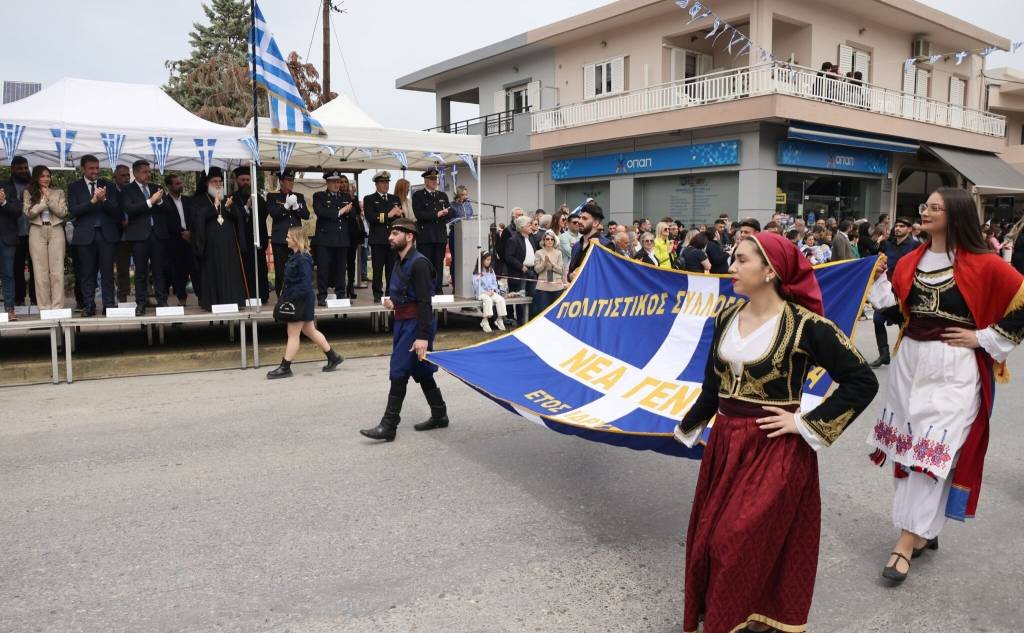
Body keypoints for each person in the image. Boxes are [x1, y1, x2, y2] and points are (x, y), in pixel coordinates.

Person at [675, 231, 878, 633]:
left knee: (733, 541)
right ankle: (749, 614)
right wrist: (687, 425)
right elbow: (712, 386)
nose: (731, 267)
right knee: (715, 538)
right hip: (727, 445)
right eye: (733, 258)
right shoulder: (727, 316)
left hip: (776, 448)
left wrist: (804, 422)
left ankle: (745, 616)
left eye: (742, 260)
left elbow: (861, 380)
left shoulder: (807, 326)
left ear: (770, 271)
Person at [865, 187, 1024, 585]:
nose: (927, 212)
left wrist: (984, 338)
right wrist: (879, 281)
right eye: (926, 206)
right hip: (909, 364)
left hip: (954, 369)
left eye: (936, 207)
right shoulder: (911, 260)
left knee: (930, 451)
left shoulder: (984, 263)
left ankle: (905, 540)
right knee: (910, 447)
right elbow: (891, 309)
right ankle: (923, 528)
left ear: (955, 214)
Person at [360, 218, 449, 442]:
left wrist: (422, 337)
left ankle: (389, 425)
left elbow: (424, 303)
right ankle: (440, 414)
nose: (390, 237)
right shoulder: (400, 261)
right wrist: (394, 302)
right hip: (403, 322)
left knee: (398, 370)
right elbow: (406, 295)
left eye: (396, 233)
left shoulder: (419, 263)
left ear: (409, 237)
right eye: (391, 233)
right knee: (421, 370)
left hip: (416, 325)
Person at [266, 225, 344, 379]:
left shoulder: (302, 258)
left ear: (296, 239)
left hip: (299, 300)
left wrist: (290, 298)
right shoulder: (297, 256)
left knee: (293, 334)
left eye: (288, 236)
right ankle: (333, 357)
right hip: (302, 299)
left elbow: (305, 283)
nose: (286, 238)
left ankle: (285, 367)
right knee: (309, 330)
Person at [67, 155, 121, 317]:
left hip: (106, 235)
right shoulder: (74, 187)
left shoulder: (109, 186)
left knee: (107, 272)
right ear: (82, 169)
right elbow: (74, 211)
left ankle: (109, 305)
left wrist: (103, 199)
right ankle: (89, 305)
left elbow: (117, 212)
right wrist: (92, 201)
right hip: (85, 236)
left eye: (97, 168)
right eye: (91, 168)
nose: (95, 171)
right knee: (87, 273)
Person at [191, 168, 249, 311]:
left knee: (230, 274)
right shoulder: (199, 200)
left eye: (220, 181)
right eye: (214, 181)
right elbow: (197, 219)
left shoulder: (228, 199)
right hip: (210, 247)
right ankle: (213, 303)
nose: (218, 184)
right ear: (207, 183)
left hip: (229, 246)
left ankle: (233, 301)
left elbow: (240, 218)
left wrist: (229, 209)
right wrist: (215, 206)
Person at [120, 160, 169, 315]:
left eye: (149, 171)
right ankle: (140, 303)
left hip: (157, 235)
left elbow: (168, 209)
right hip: (139, 236)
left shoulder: (156, 188)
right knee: (140, 272)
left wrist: (160, 201)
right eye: (144, 172)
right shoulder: (127, 190)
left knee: (159, 270)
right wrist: (150, 201)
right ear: (135, 173)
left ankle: (162, 301)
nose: (148, 174)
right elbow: (130, 209)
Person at [870, 217, 919, 368]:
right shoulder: (887, 244)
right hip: (886, 289)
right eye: (896, 226)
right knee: (878, 319)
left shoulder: (915, 245)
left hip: (904, 291)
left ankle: (907, 357)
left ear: (909, 229)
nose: (897, 228)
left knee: (903, 324)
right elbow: (879, 260)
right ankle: (884, 355)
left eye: (902, 226)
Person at [23, 166, 68, 310]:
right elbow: (29, 213)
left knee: (57, 271)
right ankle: (44, 308)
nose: (46, 179)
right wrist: (42, 202)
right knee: (40, 271)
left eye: (48, 176)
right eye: (42, 176)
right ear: (36, 177)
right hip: (37, 229)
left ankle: (57, 307)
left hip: (55, 229)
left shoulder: (58, 192)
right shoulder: (28, 192)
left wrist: (50, 200)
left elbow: (62, 213)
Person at [312, 170, 355, 306]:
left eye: (338, 181)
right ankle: (322, 295)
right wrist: (340, 212)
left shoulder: (345, 197)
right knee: (323, 269)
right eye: (333, 182)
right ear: (327, 182)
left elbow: (353, 213)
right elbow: (321, 212)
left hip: (341, 238)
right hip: (325, 239)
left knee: (341, 269)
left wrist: (344, 212)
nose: (337, 184)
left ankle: (341, 294)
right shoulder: (319, 196)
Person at [267, 171, 309, 299]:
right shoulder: (273, 196)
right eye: (288, 180)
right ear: (281, 182)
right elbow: (273, 213)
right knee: (281, 270)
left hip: (296, 239)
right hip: (280, 238)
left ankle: (297, 295)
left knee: (298, 267)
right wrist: (286, 206)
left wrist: (296, 207)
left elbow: (306, 215)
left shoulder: (299, 196)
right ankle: (283, 297)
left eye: (292, 180)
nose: (291, 183)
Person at [231, 166, 269, 304]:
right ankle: (245, 297)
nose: (246, 183)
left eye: (248, 180)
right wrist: (246, 209)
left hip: (257, 241)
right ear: (236, 180)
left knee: (258, 270)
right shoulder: (232, 199)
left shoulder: (258, 198)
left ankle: (261, 296)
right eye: (242, 180)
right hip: (241, 242)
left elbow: (263, 218)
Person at [364, 171, 402, 302]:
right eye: (382, 182)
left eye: (387, 182)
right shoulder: (369, 199)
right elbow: (371, 217)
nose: (386, 185)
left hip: (392, 239)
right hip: (378, 239)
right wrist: (388, 215)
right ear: (376, 184)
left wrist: (391, 215)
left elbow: (399, 218)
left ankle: (390, 292)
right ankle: (377, 293)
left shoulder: (394, 199)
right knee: (377, 268)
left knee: (392, 268)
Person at [412, 168, 450, 293]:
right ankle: (425, 290)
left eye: (435, 179)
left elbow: (448, 214)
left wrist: (448, 213)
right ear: (426, 180)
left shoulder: (442, 195)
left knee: (438, 264)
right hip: (426, 236)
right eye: (431, 179)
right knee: (425, 265)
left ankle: (438, 289)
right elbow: (419, 214)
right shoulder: (418, 195)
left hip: (439, 235)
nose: (434, 181)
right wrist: (437, 214)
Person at [162, 173, 198, 306]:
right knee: (178, 272)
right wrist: (180, 233)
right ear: (169, 186)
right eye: (177, 183)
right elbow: (166, 223)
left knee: (195, 269)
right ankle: (181, 300)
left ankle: (201, 297)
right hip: (174, 242)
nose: (180, 185)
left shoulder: (188, 201)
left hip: (190, 240)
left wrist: (191, 233)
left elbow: (194, 219)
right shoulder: (164, 202)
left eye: (180, 182)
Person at [0, 162, 26, 319]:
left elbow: (17, 212)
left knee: (8, 274)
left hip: (6, 238)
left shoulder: (8, 188)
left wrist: (3, 202)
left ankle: (10, 309)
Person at [504, 215, 536, 325]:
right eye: (529, 225)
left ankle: (531, 321)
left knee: (532, 297)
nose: (532, 226)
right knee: (521, 300)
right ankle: (522, 323)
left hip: (532, 272)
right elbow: (508, 257)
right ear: (522, 227)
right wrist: (521, 266)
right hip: (520, 273)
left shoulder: (531, 238)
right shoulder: (513, 239)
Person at [337, 174, 366, 299]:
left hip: (352, 235)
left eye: (345, 182)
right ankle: (341, 288)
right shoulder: (336, 197)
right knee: (341, 263)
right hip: (340, 235)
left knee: (351, 262)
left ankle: (350, 287)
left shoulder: (353, 198)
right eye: (341, 182)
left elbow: (357, 213)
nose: (343, 184)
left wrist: (352, 197)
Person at [567, 203, 613, 280]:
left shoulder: (606, 245)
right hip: (579, 290)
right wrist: (571, 276)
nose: (579, 221)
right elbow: (570, 272)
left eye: (584, 218)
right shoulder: (576, 246)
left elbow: (608, 274)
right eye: (580, 217)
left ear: (595, 223)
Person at [110, 164, 133, 304]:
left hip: (135, 232)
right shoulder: (111, 192)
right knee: (122, 267)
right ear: (115, 177)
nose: (126, 178)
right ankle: (122, 297)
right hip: (118, 234)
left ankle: (144, 296)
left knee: (143, 267)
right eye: (123, 176)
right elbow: (110, 211)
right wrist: (121, 221)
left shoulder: (132, 190)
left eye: (128, 176)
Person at [472, 252, 507, 333]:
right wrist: (485, 292)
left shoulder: (491, 270)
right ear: (482, 260)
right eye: (487, 260)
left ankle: (499, 319)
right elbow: (476, 285)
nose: (489, 262)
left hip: (491, 292)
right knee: (488, 300)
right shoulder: (477, 272)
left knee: (501, 299)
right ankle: (485, 320)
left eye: (490, 260)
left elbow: (494, 282)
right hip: (481, 293)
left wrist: (493, 290)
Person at [533, 229, 565, 315]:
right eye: (547, 239)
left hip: (557, 287)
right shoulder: (538, 253)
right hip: (543, 287)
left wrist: (552, 265)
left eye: (552, 239)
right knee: (543, 313)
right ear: (543, 240)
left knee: (557, 313)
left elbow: (561, 270)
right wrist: (544, 264)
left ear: (554, 241)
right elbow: (536, 270)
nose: (550, 241)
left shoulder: (559, 253)